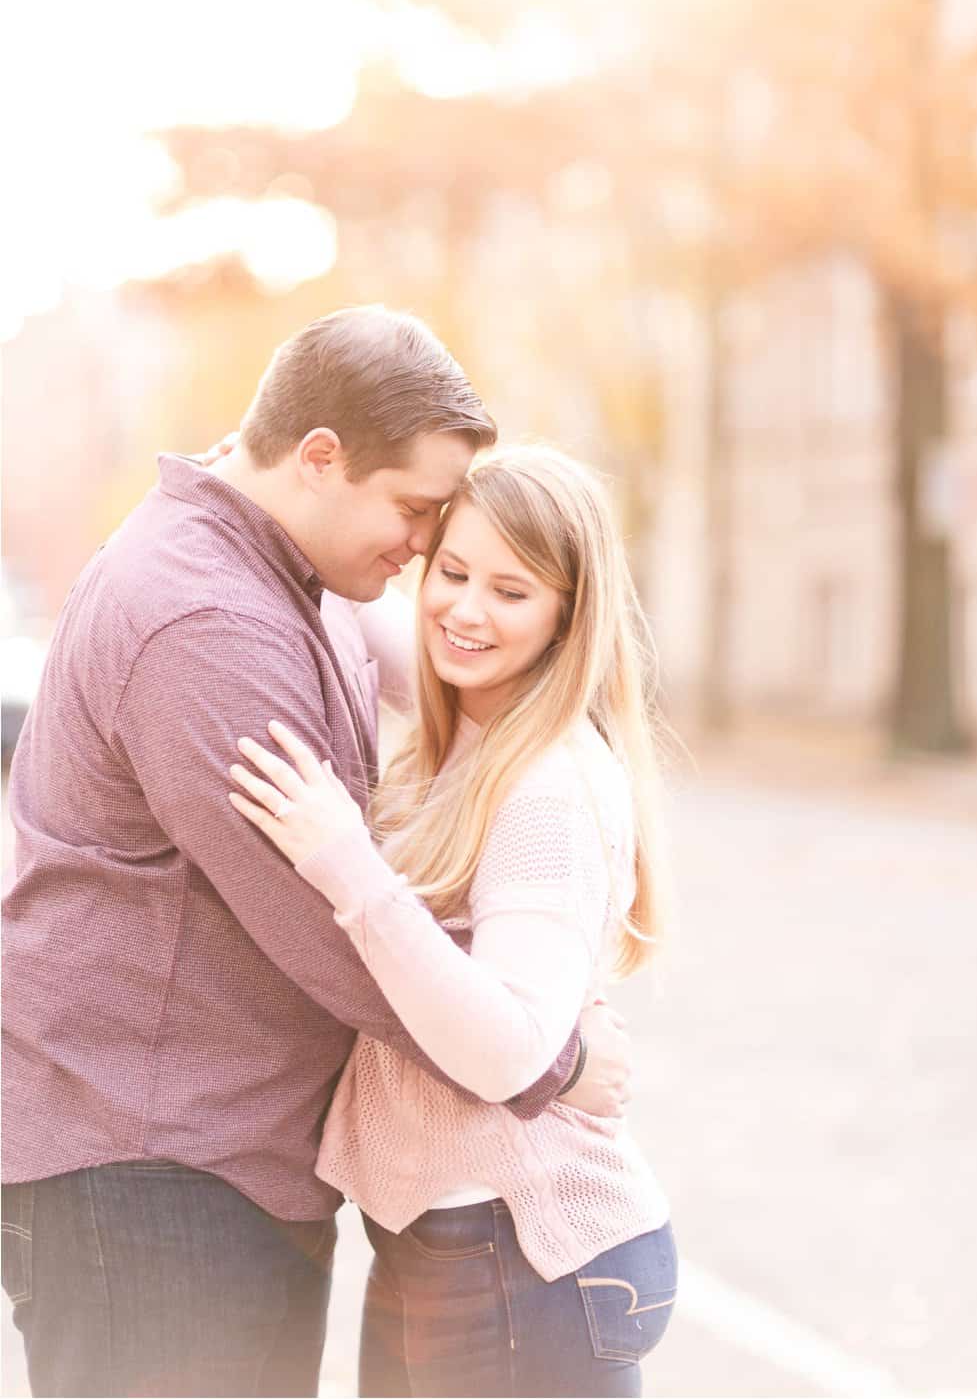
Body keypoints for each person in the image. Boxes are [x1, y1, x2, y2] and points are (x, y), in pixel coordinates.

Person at [1, 307, 630, 1399]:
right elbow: (341, 933)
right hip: (152, 1169)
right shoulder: (203, 621)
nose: (424, 545)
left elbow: (470, 658)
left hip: (207, 1166)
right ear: (320, 456)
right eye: (416, 509)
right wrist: (545, 1054)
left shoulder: (295, 570)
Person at [229, 444, 677, 1398]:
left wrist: (346, 861)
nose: (466, 610)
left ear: (567, 616)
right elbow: (345, 579)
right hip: (444, 1248)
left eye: (512, 592)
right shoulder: (468, 723)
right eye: (454, 572)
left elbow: (511, 1050)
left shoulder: (546, 784)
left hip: (519, 1256)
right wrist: (255, 464)